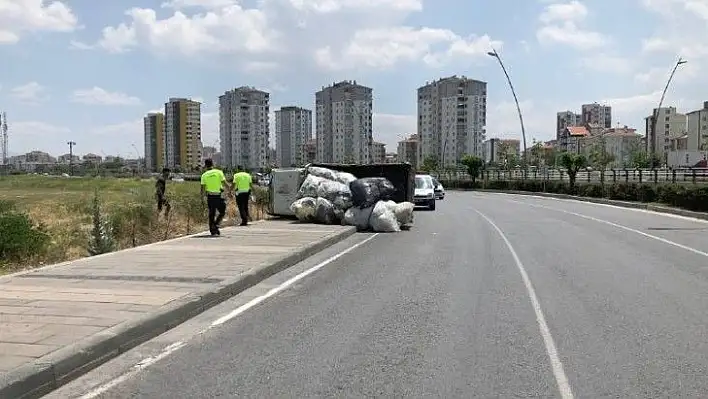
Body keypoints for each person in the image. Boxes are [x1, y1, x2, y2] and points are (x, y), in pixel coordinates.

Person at [200, 159, 228, 236]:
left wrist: (202, 199)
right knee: (222, 211)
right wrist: (230, 191)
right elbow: (225, 184)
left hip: (210, 197)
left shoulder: (204, 175)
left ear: (205, 166)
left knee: (211, 214)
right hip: (218, 196)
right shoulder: (219, 172)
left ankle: (213, 229)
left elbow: (202, 189)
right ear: (213, 164)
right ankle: (215, 225)